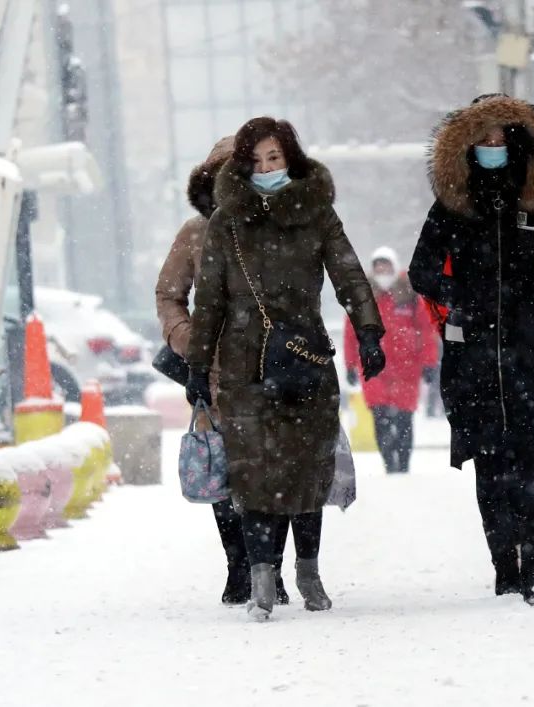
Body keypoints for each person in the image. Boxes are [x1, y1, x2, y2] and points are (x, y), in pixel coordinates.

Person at [186, 116, 386, 620]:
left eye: (274, 157)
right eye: (254, 161)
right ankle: (260, 579)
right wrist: (196, 366)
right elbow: (207, 300)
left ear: (290, 157)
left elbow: (348, 272)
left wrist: (369, 331)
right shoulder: (226, 223)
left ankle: (308, 570)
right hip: (242, 364)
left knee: (308, 467)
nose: (265, 168)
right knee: (252, 473)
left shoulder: (316, 213)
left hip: (305, 358)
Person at [409, 94, 534, 607]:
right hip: (475, 357)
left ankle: (533, 570)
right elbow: (422, 271)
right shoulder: (453, 207)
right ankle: (504, 565)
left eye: (498, 136)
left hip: (531, 353)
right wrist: (464, 296)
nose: (491, 146)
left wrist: (529, 297)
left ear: (515, 139)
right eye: (481, 138)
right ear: (466, 146)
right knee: (491, 464)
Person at [155, 135, 293, 606]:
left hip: (278, 365)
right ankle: (239, 565)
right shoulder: (195, 232)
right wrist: (189, 340)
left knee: (277, 469)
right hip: (218, 371)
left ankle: (271, 568)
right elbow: (169, 294)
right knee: (228, 471)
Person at [343, 247, 439, 473]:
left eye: (386, 265)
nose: (382, 270)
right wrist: (349, 365)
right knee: (380, 418)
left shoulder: (411, 297)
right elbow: (351, 334)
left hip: (407, 370)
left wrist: (429, 363)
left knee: (404, 420)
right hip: (374, 370)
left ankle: (403, 465)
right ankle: (390, 464)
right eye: (378, 266)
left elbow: (426, 333)